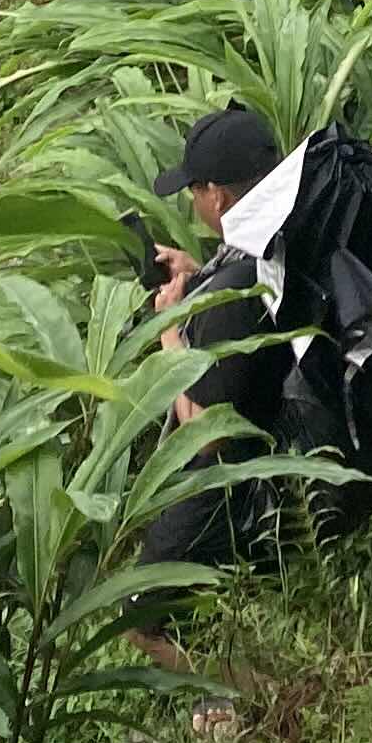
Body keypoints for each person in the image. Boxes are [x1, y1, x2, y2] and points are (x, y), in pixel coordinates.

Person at [141, 99, 291, 584]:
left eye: (194, 189)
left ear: (220, 198)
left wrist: (168, 326)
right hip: (287, 435)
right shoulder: (282, 235)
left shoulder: (234, 295)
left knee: (140, 612)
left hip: (239, 483)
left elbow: (205, 431)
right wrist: (200, 271)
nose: (191, 200)